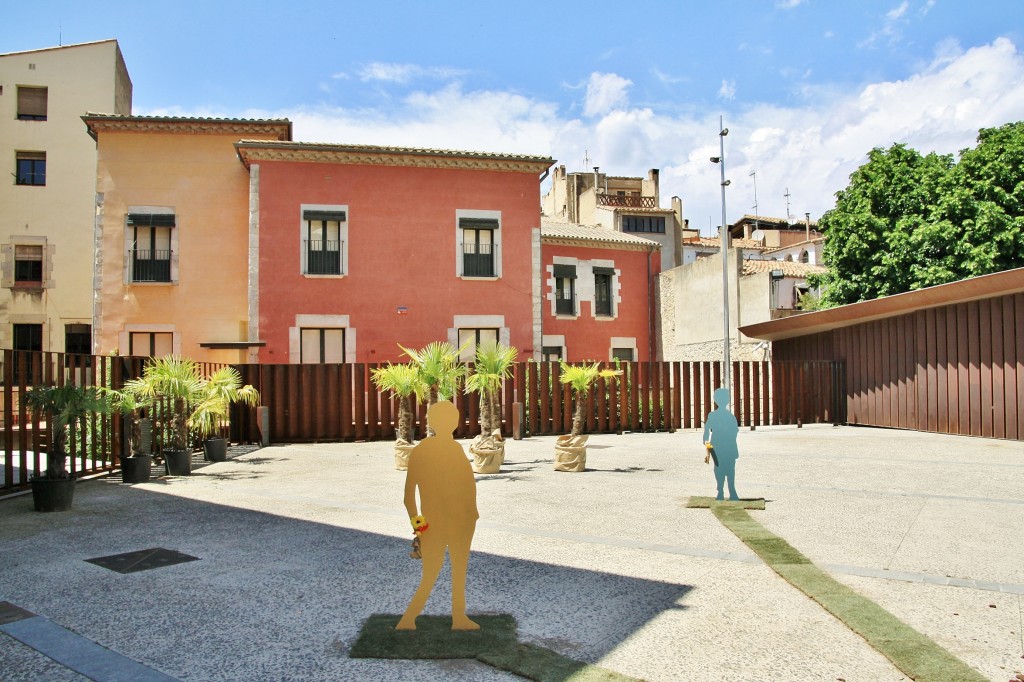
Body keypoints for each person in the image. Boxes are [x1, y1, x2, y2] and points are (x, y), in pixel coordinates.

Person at [396, 400, 480, 631]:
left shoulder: (452, 449)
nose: (452, 422)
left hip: (460, 521)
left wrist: (472, 514)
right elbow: (409, 498)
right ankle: (407, 620)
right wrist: (420, 527)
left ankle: (458, 617)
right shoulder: (424, 451)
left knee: (458, 569)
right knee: (432, 573)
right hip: (439, 523)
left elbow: (464, 486)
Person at [702, 387, 740, 501]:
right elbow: (707, 427)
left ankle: (729, 491)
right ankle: (722, 491)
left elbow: (734, 431)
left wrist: (706, 437)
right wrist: (706, 437)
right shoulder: (716, 415)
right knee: (724, 469)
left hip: (723, 445)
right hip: (720, 446)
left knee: (725, 468)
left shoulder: (728, 417)